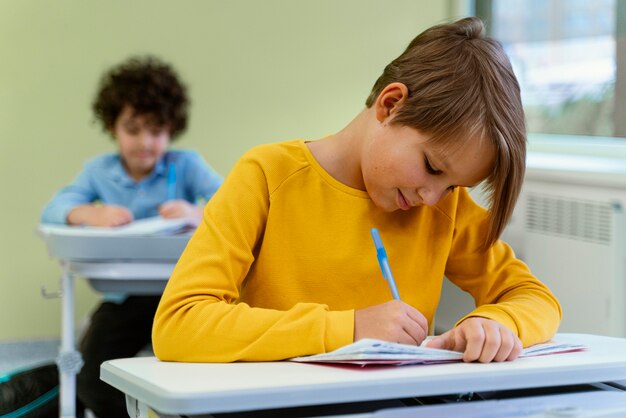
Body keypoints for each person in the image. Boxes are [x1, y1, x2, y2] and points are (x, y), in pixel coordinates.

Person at [153, 17, 561, 366]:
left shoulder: (442, 207)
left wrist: (497, 325)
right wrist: (347, 328)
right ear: (390, 105)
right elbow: (179, 324)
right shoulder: (266, 177)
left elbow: (534, 298)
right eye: (433, 167)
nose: (434, 198)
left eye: (453, 184)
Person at [41, 56, 223, 417]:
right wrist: (91, 213)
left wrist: (197, 212)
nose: (145, 142)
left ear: (171, 129)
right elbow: (55, 207)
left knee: (198, 372)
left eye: (156, 131)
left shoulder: (185, 165)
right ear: (113, 127)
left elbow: (234, 203)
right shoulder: (99, 171)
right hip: (125, 297)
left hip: (183, 294)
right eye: (133, 129)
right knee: (92, 377)